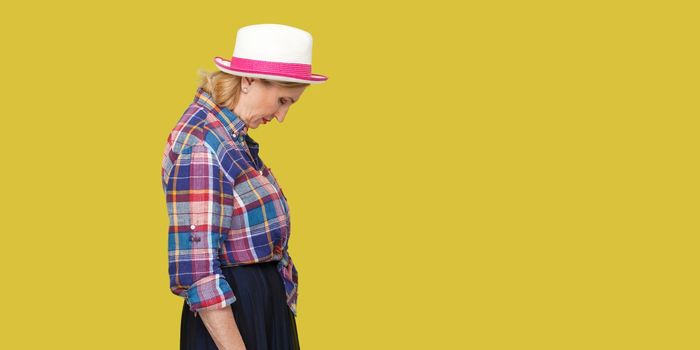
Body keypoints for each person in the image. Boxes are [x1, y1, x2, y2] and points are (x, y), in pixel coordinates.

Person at [160, 23, 328, 350]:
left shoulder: (230, 140)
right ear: (248, 80)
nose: (282, 116)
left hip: (256, 308)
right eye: (282, 100)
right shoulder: (202, 144)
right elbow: (198, 271)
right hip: (235, 318)